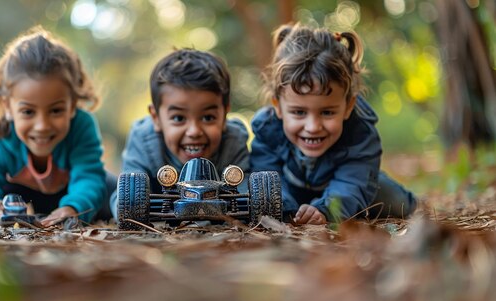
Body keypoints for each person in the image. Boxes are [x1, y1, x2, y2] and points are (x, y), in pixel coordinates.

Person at [250, 23, 416, 225]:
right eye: (299, 112)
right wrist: (285, 209)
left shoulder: (360, 133)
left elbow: (353, 182)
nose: (313, 127)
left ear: (348, 106)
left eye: (327, 112)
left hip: (349, 184)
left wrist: (326, 210)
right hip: (292, 189)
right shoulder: (267, 128)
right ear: (278, 106)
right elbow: (266, 176)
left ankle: (413, 203)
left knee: (396, 202)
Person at [0, 27, 107, 226]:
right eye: (28, 112)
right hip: (16, 198)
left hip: (72, 194)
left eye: (56, 111)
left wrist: (74, 208)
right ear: (7, 107)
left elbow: (89, 178)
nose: (42, 126)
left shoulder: (81, 126)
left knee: (112, 190)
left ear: (72, 105)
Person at [109, 48, 250, 220]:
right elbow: (122, 199)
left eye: (208, 117)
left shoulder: (233, 141)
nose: (194, 131)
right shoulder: (144, 141)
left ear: (224, 116)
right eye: (178, 118)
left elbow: (251, 194)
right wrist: (133, 206)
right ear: (156, 118)